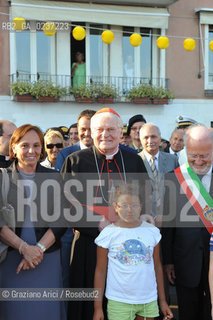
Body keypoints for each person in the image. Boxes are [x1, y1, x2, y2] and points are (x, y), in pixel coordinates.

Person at [62, 108, 147, 320]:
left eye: (111, 129)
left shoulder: (134, 161)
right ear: (91, 132)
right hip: (88, 246)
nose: (105, 135)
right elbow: (62, 205)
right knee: (87, 310)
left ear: (121, 132)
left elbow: (146, 199)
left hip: (126, 248)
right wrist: (95, 221)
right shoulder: (75, 161)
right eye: (99, 129)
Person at [0, 124, 67, 320]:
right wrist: (23, 248)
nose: (32, 151)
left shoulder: (55, 177)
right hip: (11, 259)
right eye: (25, 145)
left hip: (47, 258)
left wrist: (37, 249)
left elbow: (62, 219)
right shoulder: (2, 177)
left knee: (46, 311)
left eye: (37, 145)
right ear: (14, 147)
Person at [93, 184, 173, 320]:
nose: (129, 210)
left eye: (134, 205)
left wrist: (163, 301)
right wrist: (98, 308)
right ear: (116, 206)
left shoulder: (152, 232)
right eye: (124, 205)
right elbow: (100, 271)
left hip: (148, 300)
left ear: (141, 206)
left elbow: (157, 267)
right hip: (118, 301)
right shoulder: (108, 234)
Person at [162, 124, 213, 320]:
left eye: (204, 155)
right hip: (185, 261)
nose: (198, 161)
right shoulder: (174, 179)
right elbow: (168, 224)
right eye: (193, 155)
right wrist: (168, 261)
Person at [139, 123, 179, 219]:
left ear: (160, 139)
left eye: (153, 137)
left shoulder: (172, 160)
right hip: (144, 217)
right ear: (140, 140)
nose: (150, 141)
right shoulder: (135, 160)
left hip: (169, 216)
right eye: (146, 137)